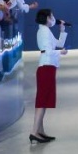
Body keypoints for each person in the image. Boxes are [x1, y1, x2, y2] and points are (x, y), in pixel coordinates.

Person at [31, 8, 68, 143]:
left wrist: (62, 30)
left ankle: (40, 131)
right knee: (42, 100)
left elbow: (59, 44)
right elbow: (48, 51)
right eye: (51, 16)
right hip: (46, 67)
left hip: (49, 67)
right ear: (47, 18)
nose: (53, 18)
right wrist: (60, 53)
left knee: (44, 99)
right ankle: (34, 131)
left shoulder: (45, 30)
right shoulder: (44, 31)